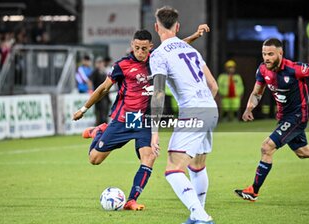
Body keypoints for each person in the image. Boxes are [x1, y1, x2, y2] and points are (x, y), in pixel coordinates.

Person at [72, 26, 210, 211]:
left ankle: (131, 200)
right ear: (132, 45)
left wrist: (195, 35)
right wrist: (83, 109)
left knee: (149, 156)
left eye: (144, 48)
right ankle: (99, 131)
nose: (140, 52)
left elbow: (180, 46)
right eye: (137, 48)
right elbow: (103, 89)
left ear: (150, 47)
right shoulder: (122, 66)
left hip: (145, 119)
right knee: (94, 159)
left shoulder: (157, 58)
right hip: (125, 119)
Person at [234, 38, 309, 202]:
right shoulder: (263, 70)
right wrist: (249, 107)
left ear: (280, 53)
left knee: (267, 147)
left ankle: (253, 191)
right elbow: (257, 93)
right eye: (264, 54)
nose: (266, 58)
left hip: (297, 117)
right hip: (284, 118)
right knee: (304, 152)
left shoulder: (294, 69)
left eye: (271, 54)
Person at [150, 6, 218, 224]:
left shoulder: (158, 55)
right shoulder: (192, 51)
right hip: (210, 107)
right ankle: (196, 213)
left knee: (173, 167)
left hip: (193, 111)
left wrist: (154, 131)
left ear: (156, 27)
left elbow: (158, 93)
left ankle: (202, 217)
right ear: (177, 27)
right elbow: (213, 86)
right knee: (197, 165)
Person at [89, 57, 111, 125]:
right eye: (99, 63)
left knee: (106, 112)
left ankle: (105, 127)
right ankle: (100, 128)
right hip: (99, 96)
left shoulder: (104, 72)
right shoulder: (95, 72)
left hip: (106, 95)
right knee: (100, 114)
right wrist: (90, 90)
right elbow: (89, 81)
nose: (100, 64)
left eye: (101, 63)